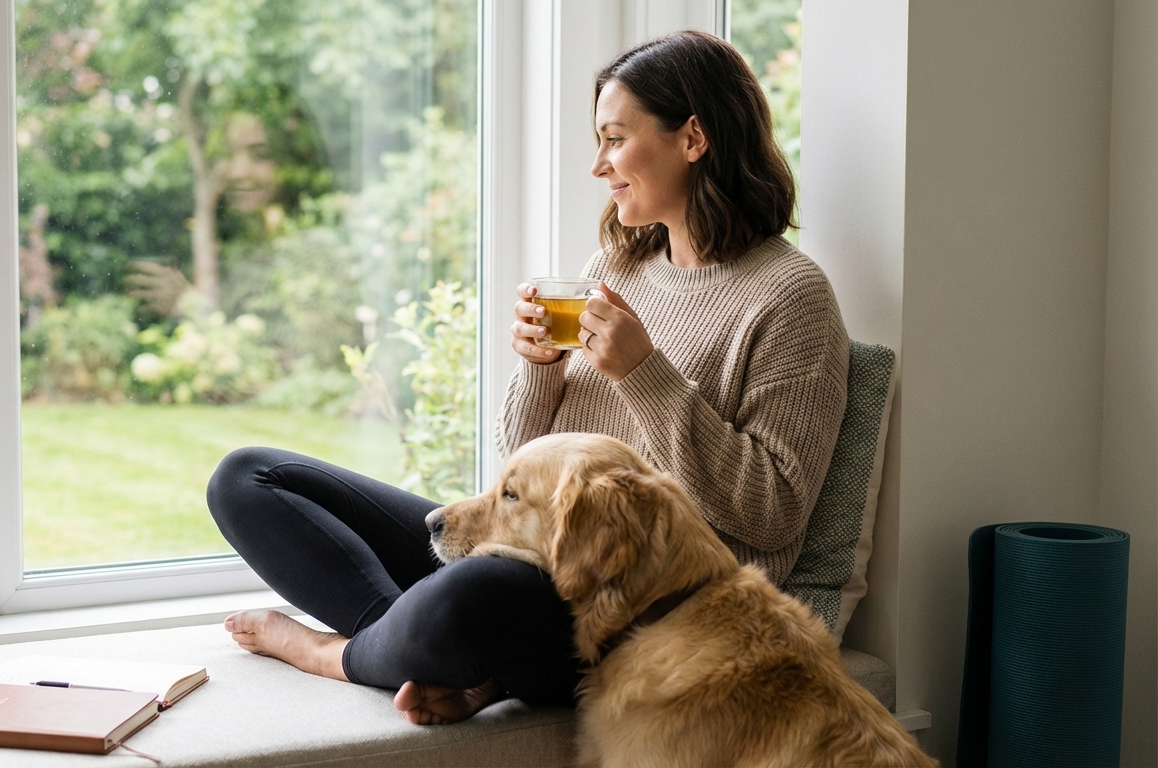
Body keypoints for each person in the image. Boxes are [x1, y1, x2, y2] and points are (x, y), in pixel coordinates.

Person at [206, 30, 848, 726]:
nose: (599, 164)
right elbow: (516, 466)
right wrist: (540, 370)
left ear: (693, 137)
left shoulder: (791, 296)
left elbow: (773, 513)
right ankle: (428, 651)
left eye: (614, 138)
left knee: (470, 594)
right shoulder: (618, 268)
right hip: (529, 558)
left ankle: (332, 654)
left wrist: (645, 374)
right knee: (247, 478)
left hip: (637, 612)